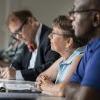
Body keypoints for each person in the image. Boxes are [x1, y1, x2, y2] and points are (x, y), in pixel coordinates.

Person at [0, 10, 60, 81]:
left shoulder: (50, 37)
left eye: (19, 31)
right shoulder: (27, 40)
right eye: (14, 35)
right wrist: (7, 71)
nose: (18, 37)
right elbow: (18, 63)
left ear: (30, 21)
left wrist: (17, 74)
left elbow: (51, 67)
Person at [36, 15, 87, 96]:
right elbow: (41, 77)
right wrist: (46, 85)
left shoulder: (80, 56)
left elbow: (63, 90)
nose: (49, 37)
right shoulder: (64, 58)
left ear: (68, 42)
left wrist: (47, 87)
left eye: (54, 34)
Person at [64, 0, 100, 99]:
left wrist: (80, 91)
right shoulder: (90, 47)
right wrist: (80, 91)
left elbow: (85, 97)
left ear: (96, 18)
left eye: (75, 12)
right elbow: (67, 87)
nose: (71, 18)